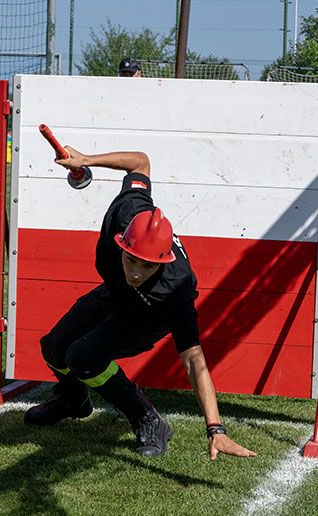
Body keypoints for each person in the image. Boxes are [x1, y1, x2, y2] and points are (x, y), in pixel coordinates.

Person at [24, 146, 257, 460]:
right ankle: (72, 400)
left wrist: (215, 428)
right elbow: (141, 161)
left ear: (163, 261)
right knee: (54, 346)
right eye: (131, 260)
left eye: (147, 266)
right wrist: (86, 161)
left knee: (83, 356)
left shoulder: (175, 290)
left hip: (147, 316)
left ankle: (148, 419)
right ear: (123, 241)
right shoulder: (129, 209)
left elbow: (194, 361)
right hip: (115, 292)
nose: (136, 272)